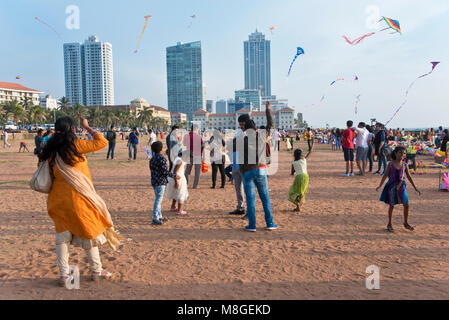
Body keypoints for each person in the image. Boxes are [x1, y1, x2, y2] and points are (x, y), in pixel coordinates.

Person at [38, 117, 121, 286]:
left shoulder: (50, 150)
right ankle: (96, 270)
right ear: (72, 129)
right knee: (89, 232)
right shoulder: (76, 146)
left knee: (62, 237)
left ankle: (64, 275)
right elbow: (102, 141)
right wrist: (88, 127)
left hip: (58, 199)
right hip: (79, 199)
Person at [237, 101, 277, 232]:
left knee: (250, 199)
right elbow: (271, 124)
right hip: (261, 169)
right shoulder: (261, 136)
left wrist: (242, 174)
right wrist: (267, 109)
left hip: (248, 172)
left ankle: (252, 225)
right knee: (265, 198)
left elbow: (241, 161)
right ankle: (270, 223)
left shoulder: (243, 140)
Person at [376, 146, 421, 232]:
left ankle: (406, 222)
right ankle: (389, 223)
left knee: (406, 204)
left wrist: (415, 188)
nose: (402, 155)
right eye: (400, 153)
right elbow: (385, 175)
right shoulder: (390, 164)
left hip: (401, 186)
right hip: (392, 187)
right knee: (391, 205)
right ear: (395, 153)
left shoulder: (405, 165)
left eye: (404, 153)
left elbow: (409, 177)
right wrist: (380, 185)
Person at [149, 141, 179, 225]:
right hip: (160, 182)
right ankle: (155, 217)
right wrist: (174, 176)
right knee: (158, 200)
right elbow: (165, 172)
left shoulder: (152, 159)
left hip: (154, 181)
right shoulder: (162, 159)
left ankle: (159, 216)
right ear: (161, 149)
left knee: (158, 198)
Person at [228, 114, 250, 216]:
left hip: (245, 166)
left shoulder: (251, 134)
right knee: (238, 188)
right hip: (236, 165)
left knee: (247, 189)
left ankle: (249, 211)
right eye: (240, 124)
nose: (241, 126)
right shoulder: (238, 133)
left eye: (243, 124)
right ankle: (240, 207)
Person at [289, 148, 312, 212]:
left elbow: (292, 173)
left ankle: (298, 206)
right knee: (301, 192)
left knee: (293, 191)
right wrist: (312, 145)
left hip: (299, 177)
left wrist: (294, 170)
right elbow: (309, 153)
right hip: (306, 177)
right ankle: (298, 205)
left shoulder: (294, 163)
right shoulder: (304, 160)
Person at [166, 150, 188, 215]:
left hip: (176, 178)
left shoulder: (178, 159)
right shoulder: (180, 161)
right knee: (181, 193)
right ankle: (180, 210)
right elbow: (175, 172)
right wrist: (176, 182)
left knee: (176, 192)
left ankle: (173, 207)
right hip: (177, 179)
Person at [183, 124, 204, 189]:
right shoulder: (199, 136)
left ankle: (186, 184)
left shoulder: (186, 136)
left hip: (189, 155)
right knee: (197, 171)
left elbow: (184, 144)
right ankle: (195, 186)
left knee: (187, 170)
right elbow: (202, 146)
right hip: (197, 155)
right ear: (196, 129)